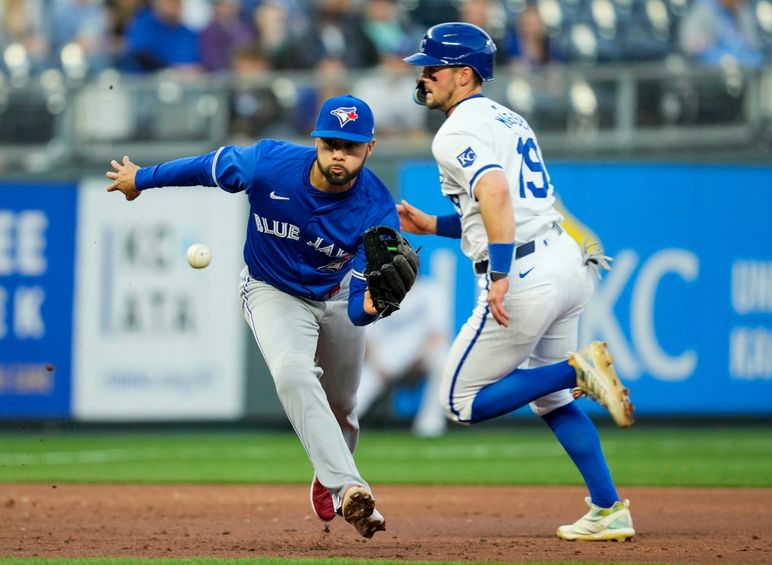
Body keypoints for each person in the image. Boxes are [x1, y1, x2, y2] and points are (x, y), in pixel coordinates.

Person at [105, 94, 395, 539]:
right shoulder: (268, 164)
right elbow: (206, 167)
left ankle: (327, 471)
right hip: (272, 290)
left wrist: (372, 306)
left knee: (342, 407)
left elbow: (358, 310)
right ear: (316, 141)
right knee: (292, 372)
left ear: (369, 148)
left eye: (351, 146)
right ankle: (349, 488)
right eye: (331, 143)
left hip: (335, 297)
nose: (339, 154)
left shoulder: (376, 207)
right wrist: (142, 178)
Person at [400, 22, 636, 542]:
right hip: (563, 261)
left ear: (464, 75)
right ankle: (608, 507)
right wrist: (434, 225)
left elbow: (499, 195)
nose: (423, 76)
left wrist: (501, 274)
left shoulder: (455, 131)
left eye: (432, 67)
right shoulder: (509, 118)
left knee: (459, 403)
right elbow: (513, 207)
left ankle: (576, 370)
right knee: (551, 401)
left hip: (525, 272)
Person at [358, 274, 450, 437]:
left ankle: (430, 425)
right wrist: (379, 366)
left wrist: (422, 357)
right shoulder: (377, 293)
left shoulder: (430, 291)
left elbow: (438, 334)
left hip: (420, 356)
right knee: (361, 390)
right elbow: (368, 340)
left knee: (442, 359)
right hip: (385, 360)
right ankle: (338, 427)